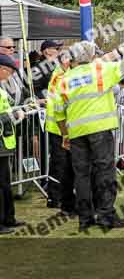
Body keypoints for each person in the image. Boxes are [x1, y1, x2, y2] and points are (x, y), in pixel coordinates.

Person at [52, 41, 124, 232]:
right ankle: (106, 216)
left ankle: (85, 219)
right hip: (100, 129)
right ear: (90, 56)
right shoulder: (100, 70)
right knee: (104, 171)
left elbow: (58, 113)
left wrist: (65, 135)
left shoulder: (64, 80)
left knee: (82, 176)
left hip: (76, 134)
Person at [44, 49, 75, 214]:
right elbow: (60, 103)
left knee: (63, 164)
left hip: (60, 126)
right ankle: (54, 198)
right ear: (65, 61)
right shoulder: (61, 76)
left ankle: (59, 197)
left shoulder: (64, 73)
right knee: (59, 164)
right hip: (58, 127)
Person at [0, 55, 24, 234]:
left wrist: (16, 111)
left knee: (6, 183)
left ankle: (9, 218)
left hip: (5, 142)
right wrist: (15, 116)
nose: (9, 77)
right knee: (2, 184)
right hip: (1, 142)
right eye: (9, 72)